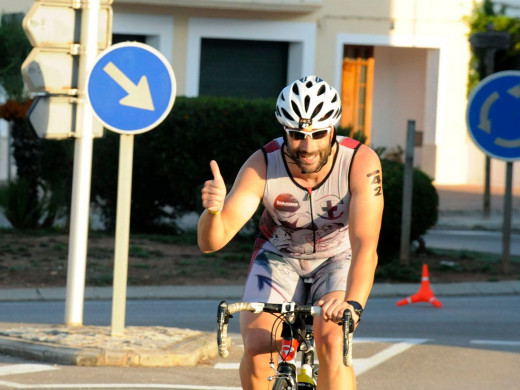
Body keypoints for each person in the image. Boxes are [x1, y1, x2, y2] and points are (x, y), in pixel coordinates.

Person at [198, 75, 384, 389]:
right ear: (285, 130)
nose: (307, 147)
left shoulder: (360, 163)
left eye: (318, 134)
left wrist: (353, 303)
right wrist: (213, 212)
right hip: (278, 258)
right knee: (257, 348)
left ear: (333, 129)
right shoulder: (262, 165)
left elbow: (366, 246)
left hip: (337, 259)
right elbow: (211, 242)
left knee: (332, 343)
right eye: (297, 135)